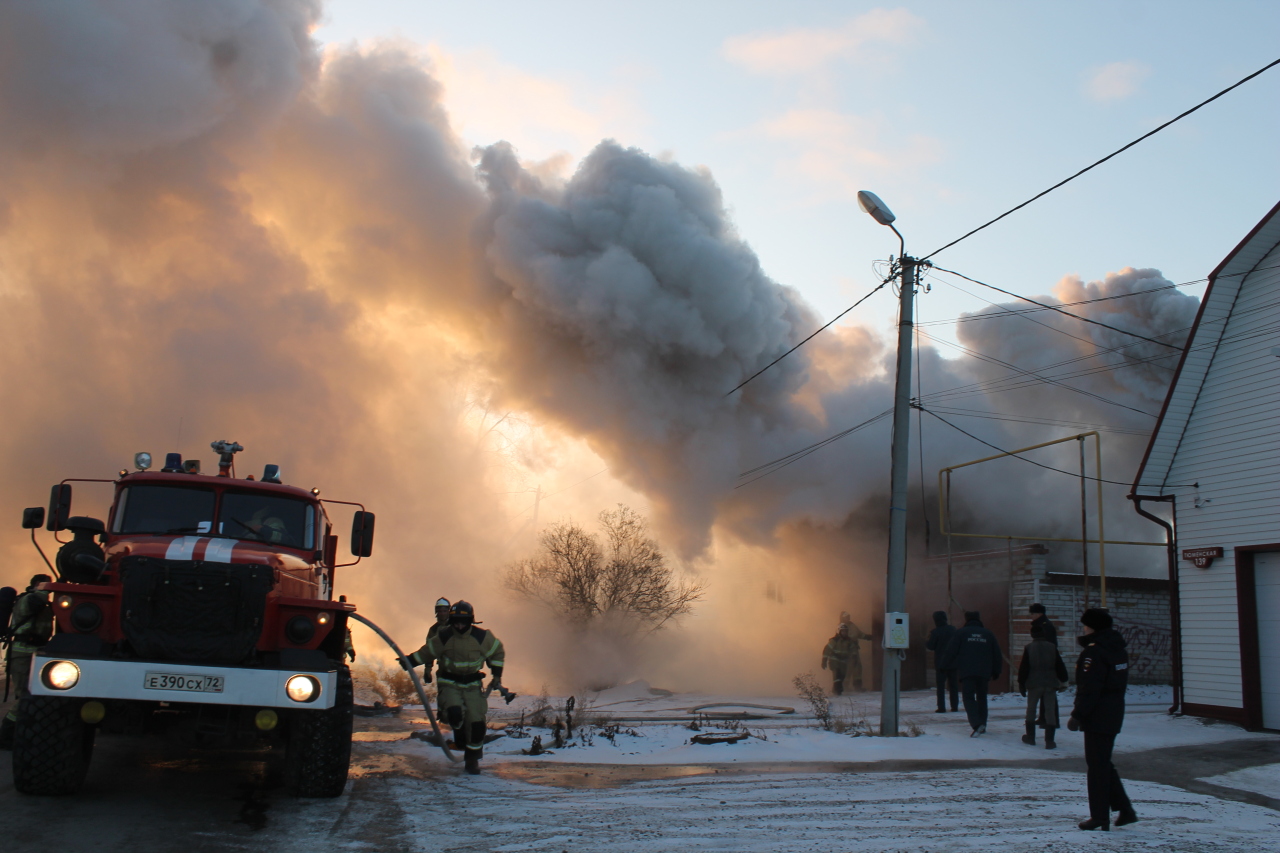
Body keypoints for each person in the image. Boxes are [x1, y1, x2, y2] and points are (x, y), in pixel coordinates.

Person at [402, 600, 505, 775]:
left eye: (463, 622)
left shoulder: (482, 637)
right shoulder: (444, 636)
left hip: (472, 685)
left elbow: (497, 651)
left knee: (477, 723)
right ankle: (457, 728)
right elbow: (427, 651)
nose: (459, 625)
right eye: (455, 621)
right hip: (449, 683)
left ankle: (472, 758)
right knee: (455, 713)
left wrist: (496, 674)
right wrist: (409, 661)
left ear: (470, 621)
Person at [1068, 608, 1138, 831]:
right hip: (1114, 712)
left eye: (1086, 625)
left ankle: (1099, 817)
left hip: (1097, 714)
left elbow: (1091, 687)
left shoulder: (1094, 652)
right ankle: (1125, 810)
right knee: (1103, 762)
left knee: (1097, 767)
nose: (1084, 628)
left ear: (1093, 627)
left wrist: (1078, 714)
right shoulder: (1117, 648)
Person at [0, 574, 54, 750]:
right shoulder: (31, 599)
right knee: (24, 696)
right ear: (37, 584)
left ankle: (19, 733)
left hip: (33, 653)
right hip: (23, 653)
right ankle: (6, 735)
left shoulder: (38, 601)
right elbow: (38, 600)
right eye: (46, 584)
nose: (49, 588)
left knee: (27, 696)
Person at [941, 610, 1002, 737]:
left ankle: (976, 724)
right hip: (984, 672)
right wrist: (996, 670)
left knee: (968, 697)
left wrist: (943, 666)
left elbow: (951, 651)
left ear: (966, 619)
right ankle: (982, 724)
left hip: (967, 671)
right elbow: (997, 654)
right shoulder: (988, 634)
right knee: (982, 698)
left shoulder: (961, 633)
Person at [1018, 621, 1068, 748]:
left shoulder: (1029, 648)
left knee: (1031, 709)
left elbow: (1024, 668)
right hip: (1050, 683)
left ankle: (1030, 737)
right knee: (1050, 711)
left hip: (1034, 683)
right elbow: (1059, 665)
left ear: (1032, 635)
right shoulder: (1052, 647)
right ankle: (1050, 741)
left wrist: (1021, 684)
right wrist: (1064, 679)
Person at [926, 611, 959, 713]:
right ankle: (954, 706)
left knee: (940, 686)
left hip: (940, 663)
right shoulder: (953, 630)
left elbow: (930, 646)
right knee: (953, 686)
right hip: (953, 662)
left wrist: (927, 639)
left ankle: (941, 707)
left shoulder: (935, 632)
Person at [822, 624, 857, 695]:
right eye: (843, 631)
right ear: (839, 631)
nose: (844, 633)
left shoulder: (849, 641)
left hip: (844, 661)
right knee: (837, 674)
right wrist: (824, 660)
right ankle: (838, 690)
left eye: (845, 631)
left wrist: (854, 657)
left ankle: (835, 689)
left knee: (842, 676)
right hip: (834, 660)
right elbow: (827, 650)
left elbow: (853, 649)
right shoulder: (834, 640)